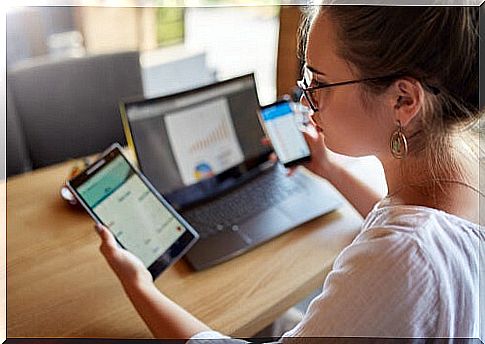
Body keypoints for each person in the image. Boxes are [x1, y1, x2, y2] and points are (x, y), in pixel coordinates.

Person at [95, 5, 483, 340]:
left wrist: (139, 286)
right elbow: (414, 227)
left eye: (320, 83)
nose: (306, 100)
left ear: (403, 100)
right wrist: (329, 170)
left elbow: (407, 248)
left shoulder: (400, 258)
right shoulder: (463, 171)